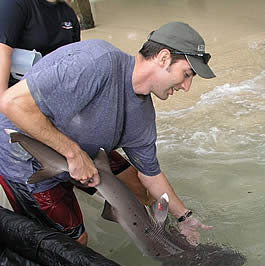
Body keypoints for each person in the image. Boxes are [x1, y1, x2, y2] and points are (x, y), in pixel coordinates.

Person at [0, 22, 215, 246]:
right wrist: (74, 154)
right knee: (75, 245)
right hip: (22, 154)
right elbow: (11, 103)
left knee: (142, 189)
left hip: (83, 147)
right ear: (163, 58)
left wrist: (184, 217)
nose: (187, 86)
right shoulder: (95, 62)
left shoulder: (142, 115)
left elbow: (150, 174)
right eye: (187, 74)